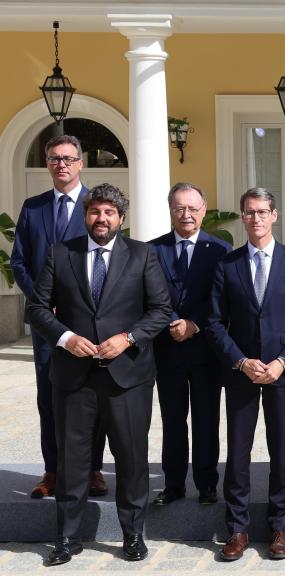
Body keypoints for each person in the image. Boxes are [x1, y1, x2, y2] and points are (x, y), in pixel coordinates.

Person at [26, 183, 172, 566]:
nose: (101, 218)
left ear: (121, 218)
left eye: (109, 212)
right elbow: (37, 308)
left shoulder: (142, 255)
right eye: (95, 211)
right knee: (72, 460)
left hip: (128, 377)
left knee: (131, 458)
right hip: (73, 376)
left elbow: (160, 310)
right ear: (85, 215)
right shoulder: (61, 254)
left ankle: (132, 535)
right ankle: (67, 538)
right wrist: (66, 338)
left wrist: (128, 338)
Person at [207, 188, 285, 562]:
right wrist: (241, 361)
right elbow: (214, 322)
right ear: (243, 217)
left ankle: (280, 527)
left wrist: (283, 362)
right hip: (242, 372)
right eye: (249, 212)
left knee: (281, 450)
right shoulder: (227, 264)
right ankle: (237, 528)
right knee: (238, 451)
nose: (256, 218)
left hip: (281, 372)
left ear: (275, 215)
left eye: (262, 212)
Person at [12, 134, 107, 500]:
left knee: (92, 396)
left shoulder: (97, 206)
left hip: (87, 321)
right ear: (47, 164)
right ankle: (52, 470)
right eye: (54, 158)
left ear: (81, 163)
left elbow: (107, 259)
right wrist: (41, 301)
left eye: (68, 158)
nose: (61, 164)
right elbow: (20, 262)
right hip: (46, 325)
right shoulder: (33, 208)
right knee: (49, 397)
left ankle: (93, 469)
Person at [147, 182, 231, 506]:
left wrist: (193, 323)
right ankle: (173, 484)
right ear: (170, 210)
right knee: (172, 420)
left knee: (207, 419)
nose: (186, 214)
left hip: (206, 349)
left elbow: (220, 298)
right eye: (179, 208)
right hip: (167, 347)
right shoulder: (153, 250)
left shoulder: (220, 250)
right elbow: (150, 294)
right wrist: (173, 321)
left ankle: (207, 484)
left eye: (193, 208)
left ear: (203, 210)